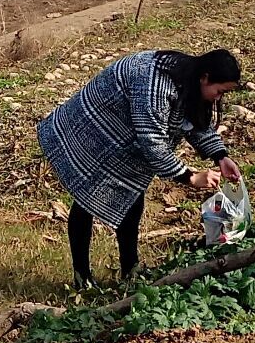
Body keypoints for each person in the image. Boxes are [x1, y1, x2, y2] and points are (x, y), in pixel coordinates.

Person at [37, 49, 243, 285]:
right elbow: (152, 141)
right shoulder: (155, 85)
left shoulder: (190, 82)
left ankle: (130, 269)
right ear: (205, 77)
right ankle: (81, 276)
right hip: (93, 125)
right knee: (86, 197)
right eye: (219, 91)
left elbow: (196, 123)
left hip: (124, 132)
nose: (218, 98)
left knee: (133, 196)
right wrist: (190, 177)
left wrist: (221, 157)